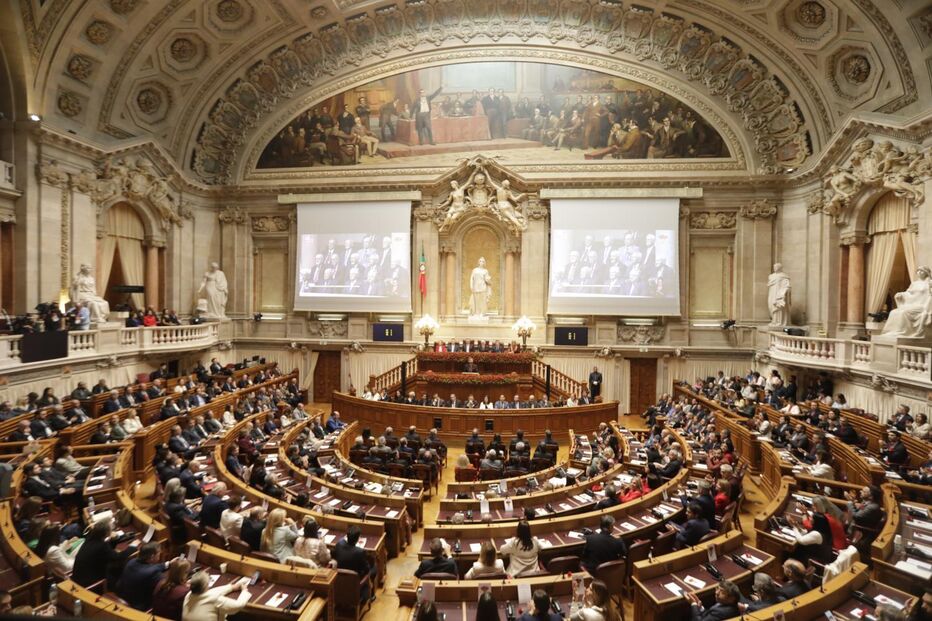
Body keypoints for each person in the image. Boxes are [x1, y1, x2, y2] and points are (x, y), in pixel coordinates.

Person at [116, 542, 167, 610]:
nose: (160, 554)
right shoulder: (154, 573)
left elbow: (153, 568)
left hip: (123, 596)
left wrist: (167, 564)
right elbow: (165, 583)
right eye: (159, 553)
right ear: (152, 556)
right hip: (137, 606)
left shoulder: (132, 562)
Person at [182, 572, 251, 621]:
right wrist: (244, 591)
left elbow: (211, 593)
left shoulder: (189, 595)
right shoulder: (214, 600)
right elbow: (237, 605)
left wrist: (231, 587)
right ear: (205, 586)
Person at [332, 525, 375, 601]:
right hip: (355, 583)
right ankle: (371, 595)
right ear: (358, 538)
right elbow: (367, 570)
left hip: (339, 581)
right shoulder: (360, 552)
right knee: (374, 569)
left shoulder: (339, 544)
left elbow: (334, 555)